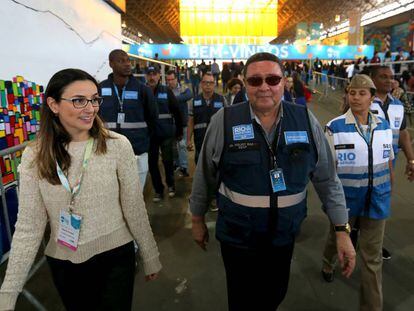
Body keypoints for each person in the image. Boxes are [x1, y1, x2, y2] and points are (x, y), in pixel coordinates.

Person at [189, 52, 356, 311]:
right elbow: (204, 175)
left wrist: (341, 230)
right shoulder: (224, 120)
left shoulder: (305, 119)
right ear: (244, 83)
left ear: (284, 82)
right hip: (238, 236)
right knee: (242, 299)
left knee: (275, 293)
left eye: (272, 79)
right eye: (255, 81)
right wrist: (197, 219)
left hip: (284, 235)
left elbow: (327, 179)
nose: (264, 86)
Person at [0, 69, 161, 311]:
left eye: (95, 99)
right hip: (64, 262)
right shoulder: (35, 155)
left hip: (116, 256)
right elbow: (29, 226)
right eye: (79, 100)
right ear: (53, 104)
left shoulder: (117, 146)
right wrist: (9, 291)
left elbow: (134, 207)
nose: (91, 108)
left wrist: (150, 256)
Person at [321, 74, 393, 311]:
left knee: (372, 260)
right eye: (352, 92)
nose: (356, 97)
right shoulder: (334, 127)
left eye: (362, 93)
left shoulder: (384, 127)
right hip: (346, 202)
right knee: (336, 238)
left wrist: (389, 188)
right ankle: (327, 262)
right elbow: (327, 173)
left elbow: (388, 162)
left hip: (377, 201)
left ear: (372, 98)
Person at [369, 65, 414, 260]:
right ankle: (350, 236)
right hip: (365, 163)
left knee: (381, 203)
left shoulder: (397, 105)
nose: (388, 80)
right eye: (383, 76)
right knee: (358, 201)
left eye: (391, 77)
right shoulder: (364, 102)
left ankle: (375, 245)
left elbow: (403, 133)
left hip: (388, 163)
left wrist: (411, 159)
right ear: (372, 79)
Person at [100, 49, 158, 191]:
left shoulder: (142, 90)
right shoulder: (101, 89)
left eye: (128, 61)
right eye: (121, 61)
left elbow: (153, 118)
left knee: (135, 193)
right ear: (111, 64)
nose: (127, 64)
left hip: (137, 149)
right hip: (109, 151)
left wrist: (142, 138)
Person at [146, 66, 183, 202]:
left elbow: (176, 111)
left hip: (166, 133)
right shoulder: (143, 92)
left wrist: (179, 131)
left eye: (154, 74)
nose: (152, 77)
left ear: (158, 76)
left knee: (168, 161)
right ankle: (158, 190)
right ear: (146, 77)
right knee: (152, 163)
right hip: (150, 135)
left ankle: (171, 185)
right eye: (149, 75)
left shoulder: (166, 91)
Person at [187, 72, 225, 164]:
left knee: (218, 166)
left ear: (214, 84)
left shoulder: (222, 100)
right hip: (200, 140)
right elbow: (190, 122)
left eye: (211, 83)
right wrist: (188, 140)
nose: (208, 85)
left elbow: (227, 120)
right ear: (201, 84)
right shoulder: (194, 101)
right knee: (200, 166)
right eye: (205, 82)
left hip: (217, 140)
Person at [166, 69, 193, 177]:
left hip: (182, 122)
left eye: (172, 79)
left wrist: (172, 100)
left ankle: (184, 167)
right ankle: (176, 164)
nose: (170, 82)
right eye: (168, 80)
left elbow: (189, 95)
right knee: (172, 145)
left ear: (176, 79)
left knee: (182, 145)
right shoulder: (165, 89)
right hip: (170, 122)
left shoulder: (184, 88)